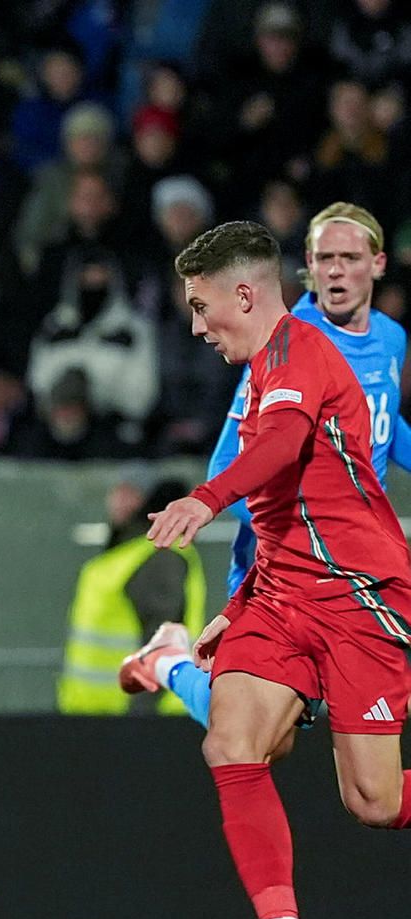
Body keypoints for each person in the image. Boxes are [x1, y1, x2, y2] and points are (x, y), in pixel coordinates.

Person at [147, 220, 411, 919]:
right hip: (283, 593)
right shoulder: (261, 369)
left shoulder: (298, 353)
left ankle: (162, 663)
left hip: (363, 598)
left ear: (243, 293)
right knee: (233, 742)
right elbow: (281, 502)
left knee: (375, 800)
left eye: (201, 308)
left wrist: (206, 496)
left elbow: (282, 447)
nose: (197, 327)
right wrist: (241, 598)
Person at [124, 203, 411, 730]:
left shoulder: (391, 338)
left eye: (350, 257)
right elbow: (241, 442)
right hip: (283, 546)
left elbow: (386, 425)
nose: (335, 270)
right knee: (250, 726)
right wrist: (259, 536)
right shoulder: (281, 335)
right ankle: (168, 661)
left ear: (378, 265)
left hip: (354, 548)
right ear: (306, 264)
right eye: (323, 257)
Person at [57, 475, 206, 715]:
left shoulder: (157, 555)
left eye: (129, 492)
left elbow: (161, 640)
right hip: (100, 715)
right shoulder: (130, 552)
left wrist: (141, 714)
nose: (117, 501)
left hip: (137, 719)